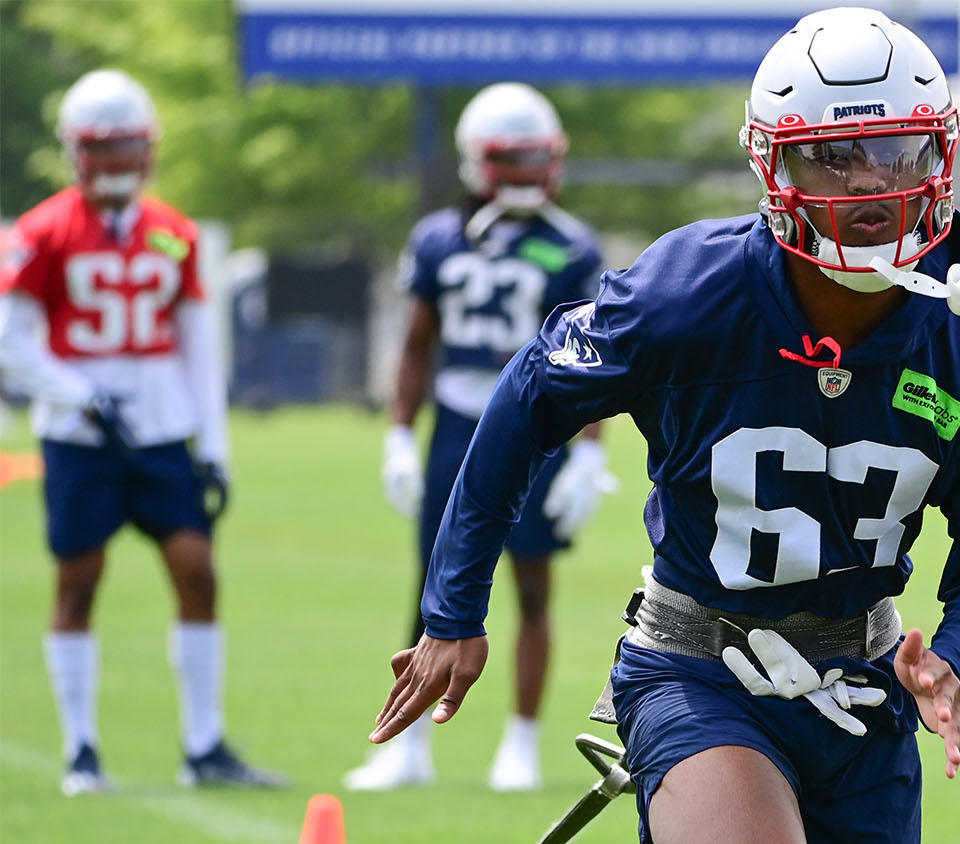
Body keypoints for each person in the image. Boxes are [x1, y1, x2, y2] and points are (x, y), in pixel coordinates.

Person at [368, 7, 960, 844]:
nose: (870, 185)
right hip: (701, 661)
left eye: (893, 150)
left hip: (858, 691)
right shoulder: (692, 289)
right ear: (772, 165)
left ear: (939, 152)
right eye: (833, 154)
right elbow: (524, 402)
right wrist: (452, 612)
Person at [0, 69, 283, 795]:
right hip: (80, 438)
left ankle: (203, 744)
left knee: (198, 573)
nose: (121, 162)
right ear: (77, 151)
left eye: (130, 146)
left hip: (159, 434)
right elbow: (11, 341)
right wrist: (78, 392)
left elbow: (198, 345)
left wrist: (213, 449)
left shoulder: (173, 233)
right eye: (107, 147)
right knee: (78, 583)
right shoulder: (43, 231)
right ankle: (81, 751)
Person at [343, 81, 613, 793]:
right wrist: (400, 432)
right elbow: (416, 343)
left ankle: (520, 741)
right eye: (510, 158)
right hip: (457, 420)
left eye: (534, 158)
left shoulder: (571, 246)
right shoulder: (438, 238)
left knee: (530, 585)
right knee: (433, 582)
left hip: (540, 428)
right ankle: (407, 746)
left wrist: (590, 451)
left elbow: (597, 356)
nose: (524, 173)